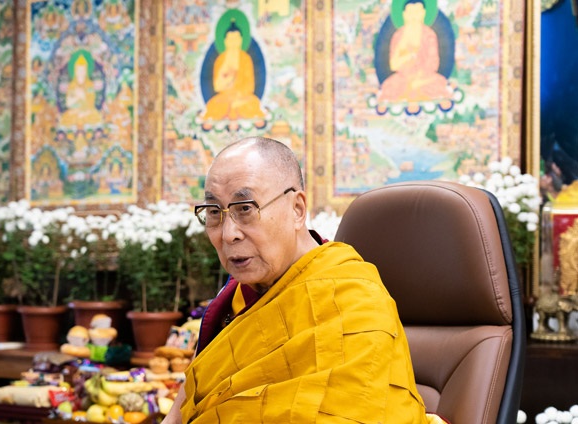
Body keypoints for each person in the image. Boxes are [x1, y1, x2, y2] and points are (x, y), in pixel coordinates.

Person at [163, 137, 445, 423]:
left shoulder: (354, 299)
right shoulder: (235, 300)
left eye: (245, 208)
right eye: (214, 213)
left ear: (297, 209)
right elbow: (184, 409)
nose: (228, 234)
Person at [378, 0, 452, 106]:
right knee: (388, 87)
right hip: (403, 78)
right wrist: (408, 56)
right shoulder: (399, 36)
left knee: (439, 84)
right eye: (410, 13)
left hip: (425, 79)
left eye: (417, 12)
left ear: (423, 14)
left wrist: (419, 79)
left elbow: (433, 63)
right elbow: (394, 65)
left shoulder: (429, 35)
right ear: (404, 15)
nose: (414, 17)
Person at [202, 21, 266, 126]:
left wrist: (238, 96)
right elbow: (217, 87)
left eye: (235, 39)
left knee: (253, 103)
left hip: (242, 98)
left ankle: (237, 109)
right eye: (230, 39)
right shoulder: (221, 59)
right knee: (213, 105)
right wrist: (228, 77)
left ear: (240, 40)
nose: (233, 42)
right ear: (225, 41)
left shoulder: (245, 59)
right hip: (224, 98)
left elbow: (250, 87)